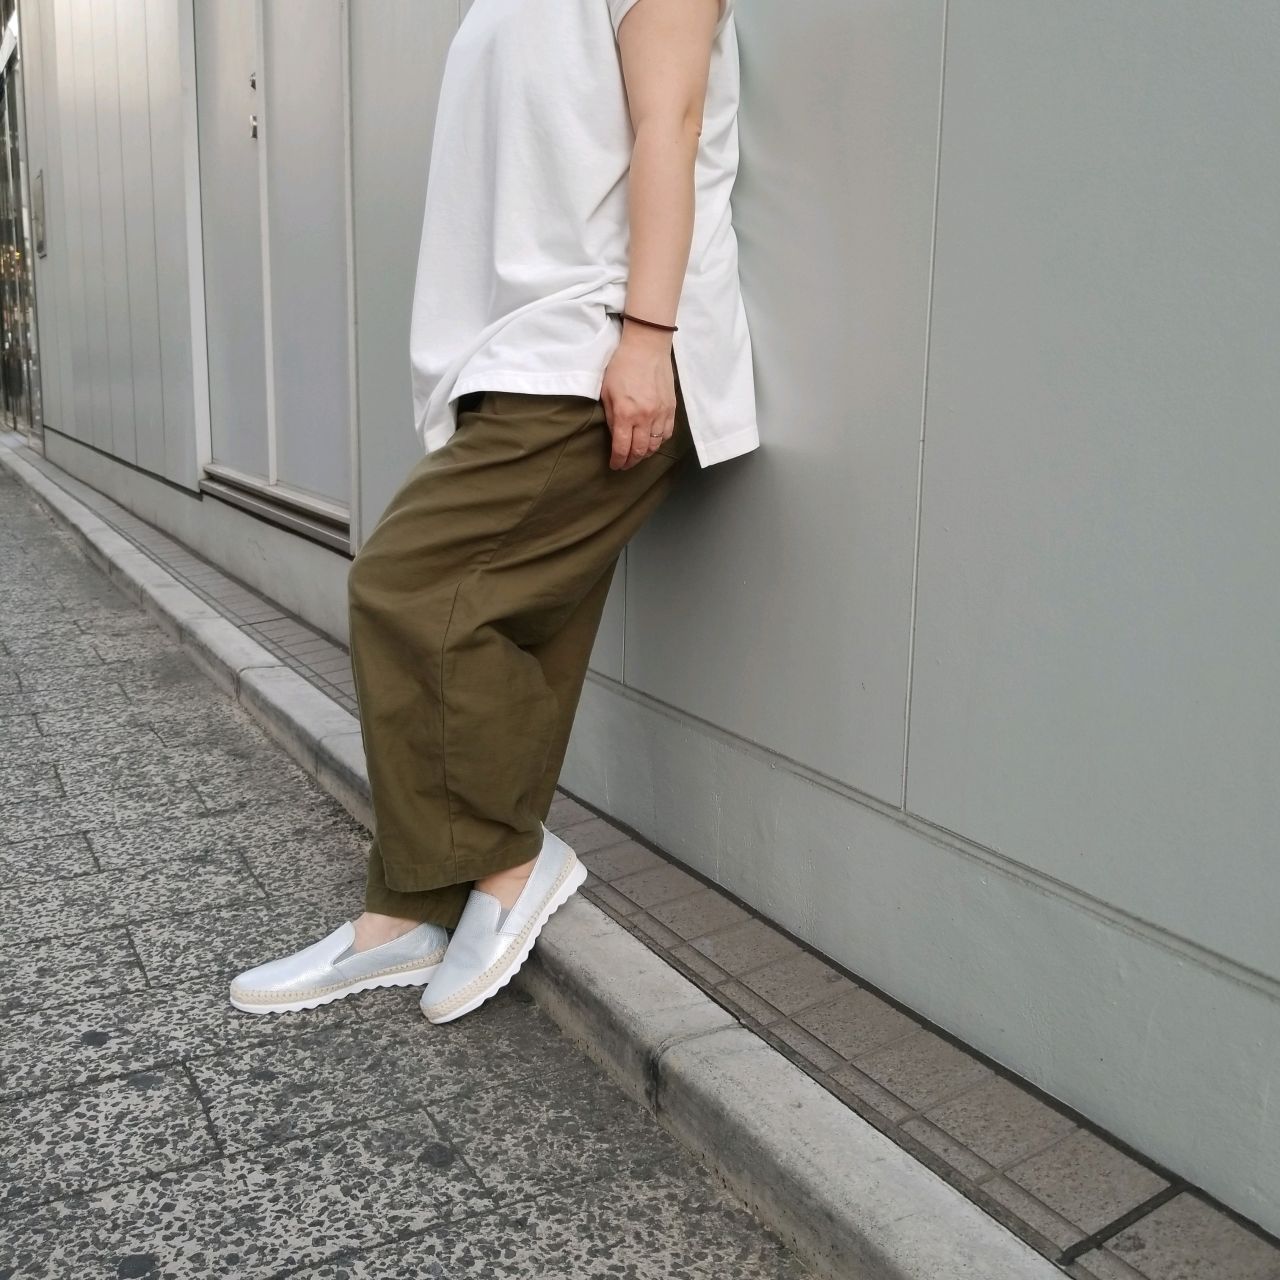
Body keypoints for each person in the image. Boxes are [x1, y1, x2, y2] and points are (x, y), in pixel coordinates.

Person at [229, 0, 758, 1024]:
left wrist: (647, 337)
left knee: (405, 590)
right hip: (519, 356)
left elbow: (673, 124)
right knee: (518, 628)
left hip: (593, 349)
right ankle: (407, 912)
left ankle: (510, 859)